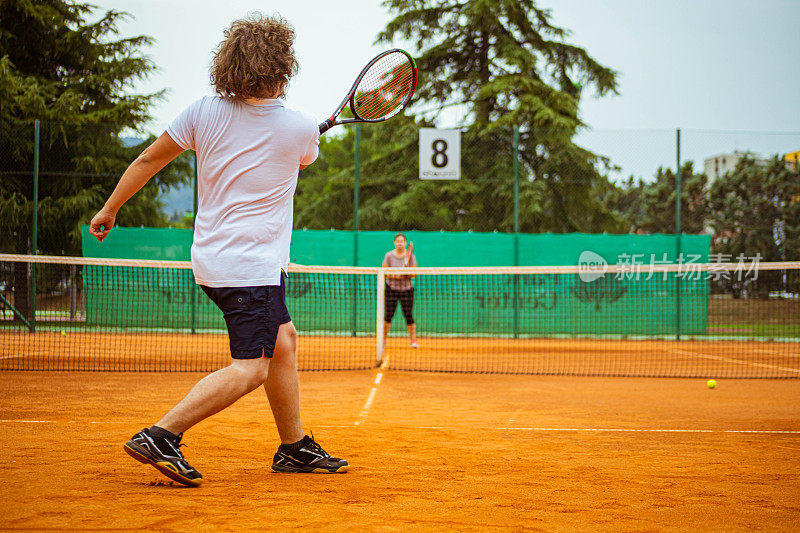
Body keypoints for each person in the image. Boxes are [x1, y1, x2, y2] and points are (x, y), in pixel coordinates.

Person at [89, 14, 348, 487]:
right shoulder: (300, 129)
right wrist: (303, 129)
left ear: (228, 63)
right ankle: (162, 434)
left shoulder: (201, 112)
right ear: (284, 66)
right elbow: (303, 156)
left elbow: (149, 159)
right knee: (251, 369)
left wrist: (109, 208)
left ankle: (293, 448)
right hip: (251, 269)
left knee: (284, 341)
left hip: (213, 261)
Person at [382, 233, 418, 348]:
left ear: (405, 243)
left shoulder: (411, 256)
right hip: (391, 289)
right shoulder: (388, 255)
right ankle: (383, 340)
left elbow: (414, 273)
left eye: (402, 241)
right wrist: (397, 276)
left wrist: (406, 275)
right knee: (388, 315)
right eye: (398, 241)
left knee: (409, 315)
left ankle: (413, 340)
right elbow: (384, 272)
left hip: (407, 290)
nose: (400, 243)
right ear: (394, 242)